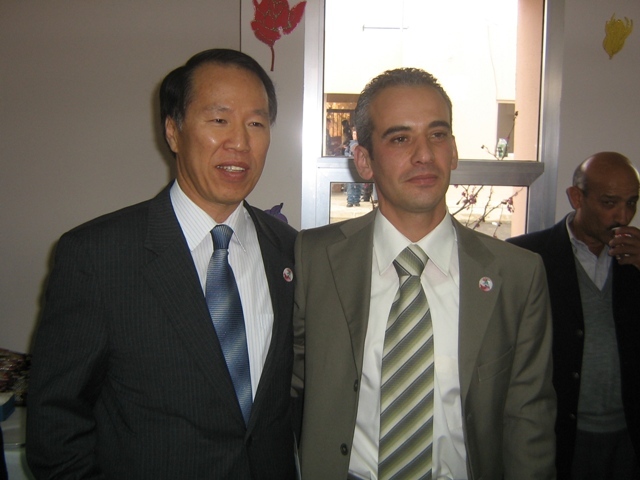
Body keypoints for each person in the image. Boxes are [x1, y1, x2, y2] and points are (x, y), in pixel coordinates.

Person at [26, 49, 298, 479]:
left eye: (256, 124)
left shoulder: (290, 251)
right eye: (219, 119)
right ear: (173, 132)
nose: (240, 143)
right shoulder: (97, 256)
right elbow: (55, 424)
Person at [292, 67, 556, 479]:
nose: (425, 155)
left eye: (438, 134)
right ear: (364, 161)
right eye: (400, 138)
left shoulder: (517, 275)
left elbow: (529, 423)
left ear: (454, 151)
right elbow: (286, 389)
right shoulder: (315, 259)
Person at [508, 152, 640, 479]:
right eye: (609, 202)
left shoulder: (637, 257)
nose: (623, 216)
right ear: (576, 197)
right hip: (558, 437)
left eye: (632, 203)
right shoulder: (526, 256)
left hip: (629, 438)